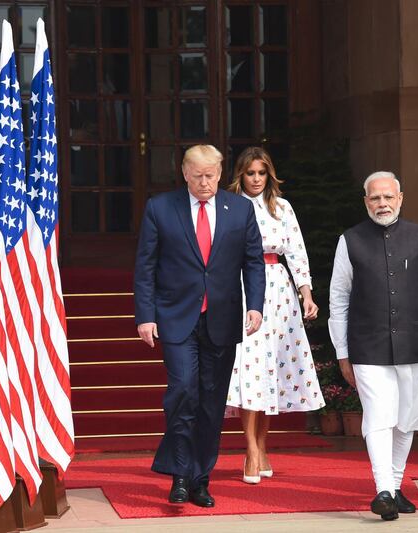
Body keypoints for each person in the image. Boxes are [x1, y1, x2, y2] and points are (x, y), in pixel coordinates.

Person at [134, 144, 266, 508]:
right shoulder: (161, 208)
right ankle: (179, 475)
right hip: (176, 318)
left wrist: (255, 306)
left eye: (211, 175)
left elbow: (253, 262)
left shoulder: (240, 209)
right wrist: (145, 315)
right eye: (198, 176)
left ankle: (200, 479)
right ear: (185, 173)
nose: (205, 182)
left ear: (221, 173)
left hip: (222, 319)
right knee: (182, 392)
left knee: (211, 403)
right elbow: (146, 265)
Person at [328, 171, 418, 521]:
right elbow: (338, 299)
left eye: (388, 197)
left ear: (400, 198)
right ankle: (383, 490)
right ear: (365, 201)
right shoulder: (350, 240)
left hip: (416, 343)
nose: (382, 203)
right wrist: (342, 352)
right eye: (375, 198)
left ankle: (396, 486)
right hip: (367, 346)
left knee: (407, 420)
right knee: (379, 417)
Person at [225, 147, 325, 484]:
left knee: (272, 372)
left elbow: (297, 250)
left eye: (261, 173)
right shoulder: (228, 207)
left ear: (270, 175)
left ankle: (263, 446)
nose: (256, 180)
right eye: (250, 173)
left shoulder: (282, 207)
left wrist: (306, 294)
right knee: (250, 370)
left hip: (280, 291)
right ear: (240, 174)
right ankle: (251, 450)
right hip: (242, 289)